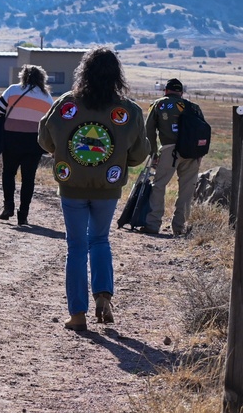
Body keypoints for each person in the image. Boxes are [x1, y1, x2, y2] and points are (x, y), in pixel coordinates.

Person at [38, 47, 149, 331]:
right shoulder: (130, 110)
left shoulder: (65, 105)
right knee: (100, 240)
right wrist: (119, 159)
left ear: (83, 72)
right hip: (107, 187)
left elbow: (44, 138)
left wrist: (62, 150)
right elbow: (139, 155)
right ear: (116, 75)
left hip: (72, 184)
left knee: (76, 246)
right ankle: (104, 296)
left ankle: (77, 315)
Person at [0, 65, 55, 225]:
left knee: (8, 173)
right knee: (28, 179)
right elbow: (51, 123)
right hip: (34, 142)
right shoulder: (47, 98)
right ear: (42, 79)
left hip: (11, 139)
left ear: (23, 76)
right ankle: (23, 214)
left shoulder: (13, 90)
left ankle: (8, 207)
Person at [143, 78, 204, 235]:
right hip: (192, 153)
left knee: (159, 186)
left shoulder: (159, 104)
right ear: (181, 92)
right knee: (186, 191)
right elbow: (202, 132)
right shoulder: (194, 107)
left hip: (169, 149)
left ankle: (153, 224)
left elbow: (149, 131)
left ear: (166, 91)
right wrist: (199, 154)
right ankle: (179, 227)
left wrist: (153, 153)